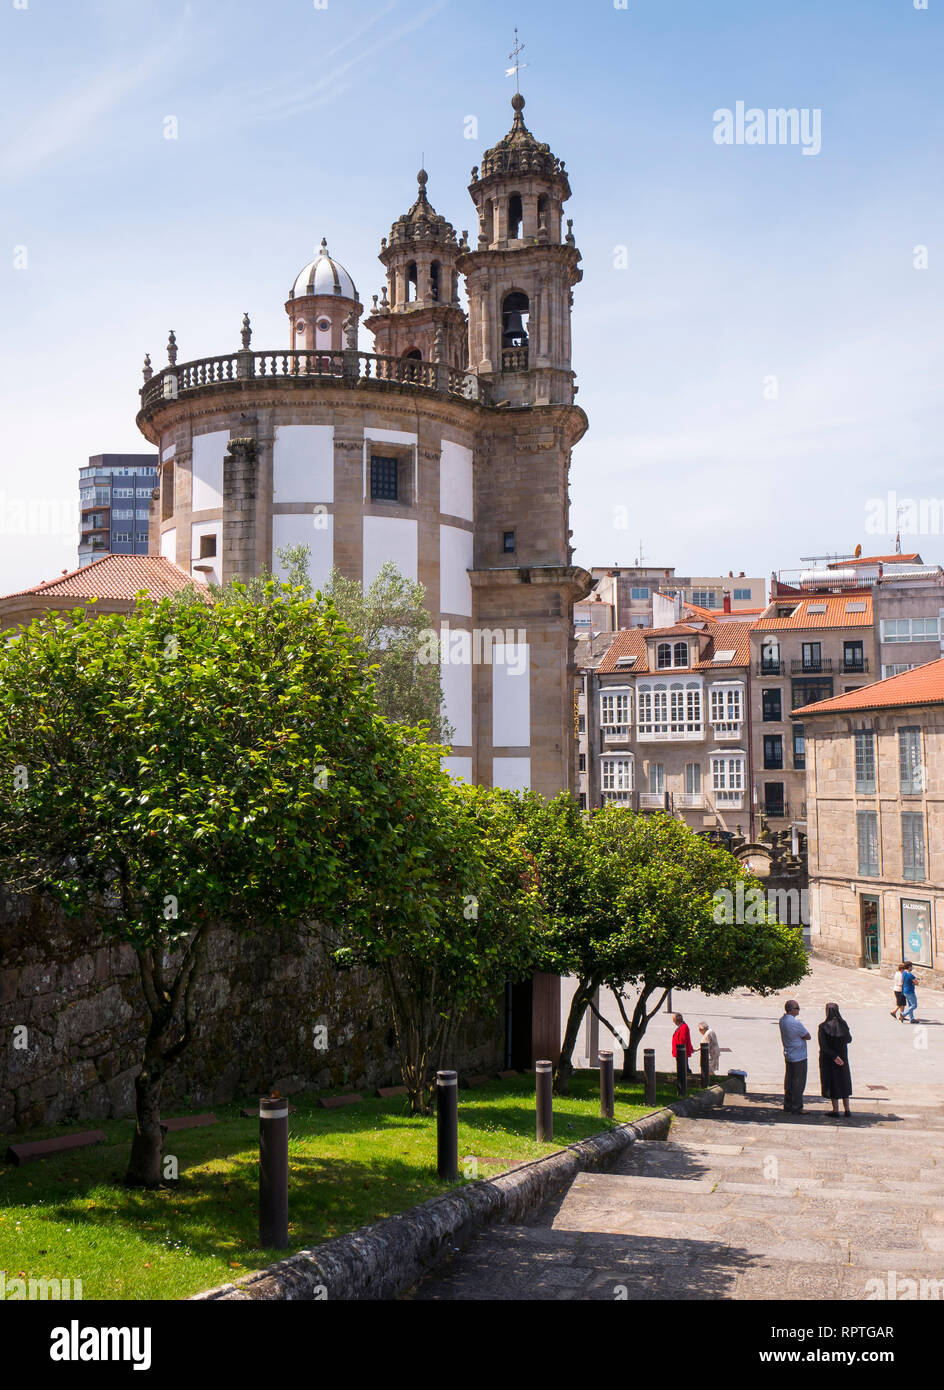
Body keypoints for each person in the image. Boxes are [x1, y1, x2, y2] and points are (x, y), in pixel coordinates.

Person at [818, 1002, 853, 1117]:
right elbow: (849, 1039)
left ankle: (836, 1110)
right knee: (844, 1082)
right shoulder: (843, 1024)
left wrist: (834, 1056)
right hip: (843, 1058)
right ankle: (847, 1109)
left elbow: (823, 1046)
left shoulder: (823, 1026)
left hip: (829, 1060)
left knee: (832, 1083)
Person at [779, 999, 811, 1115]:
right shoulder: (795, 1023)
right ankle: (797, 1106)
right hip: (799, 1056)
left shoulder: (782, 1020)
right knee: (798, 1082)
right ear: (792, 1010)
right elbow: (807, 1036)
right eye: (797, 1008)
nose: (799, 1010)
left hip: (789, 1054)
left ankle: (788, 1105)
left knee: (789, 1081)